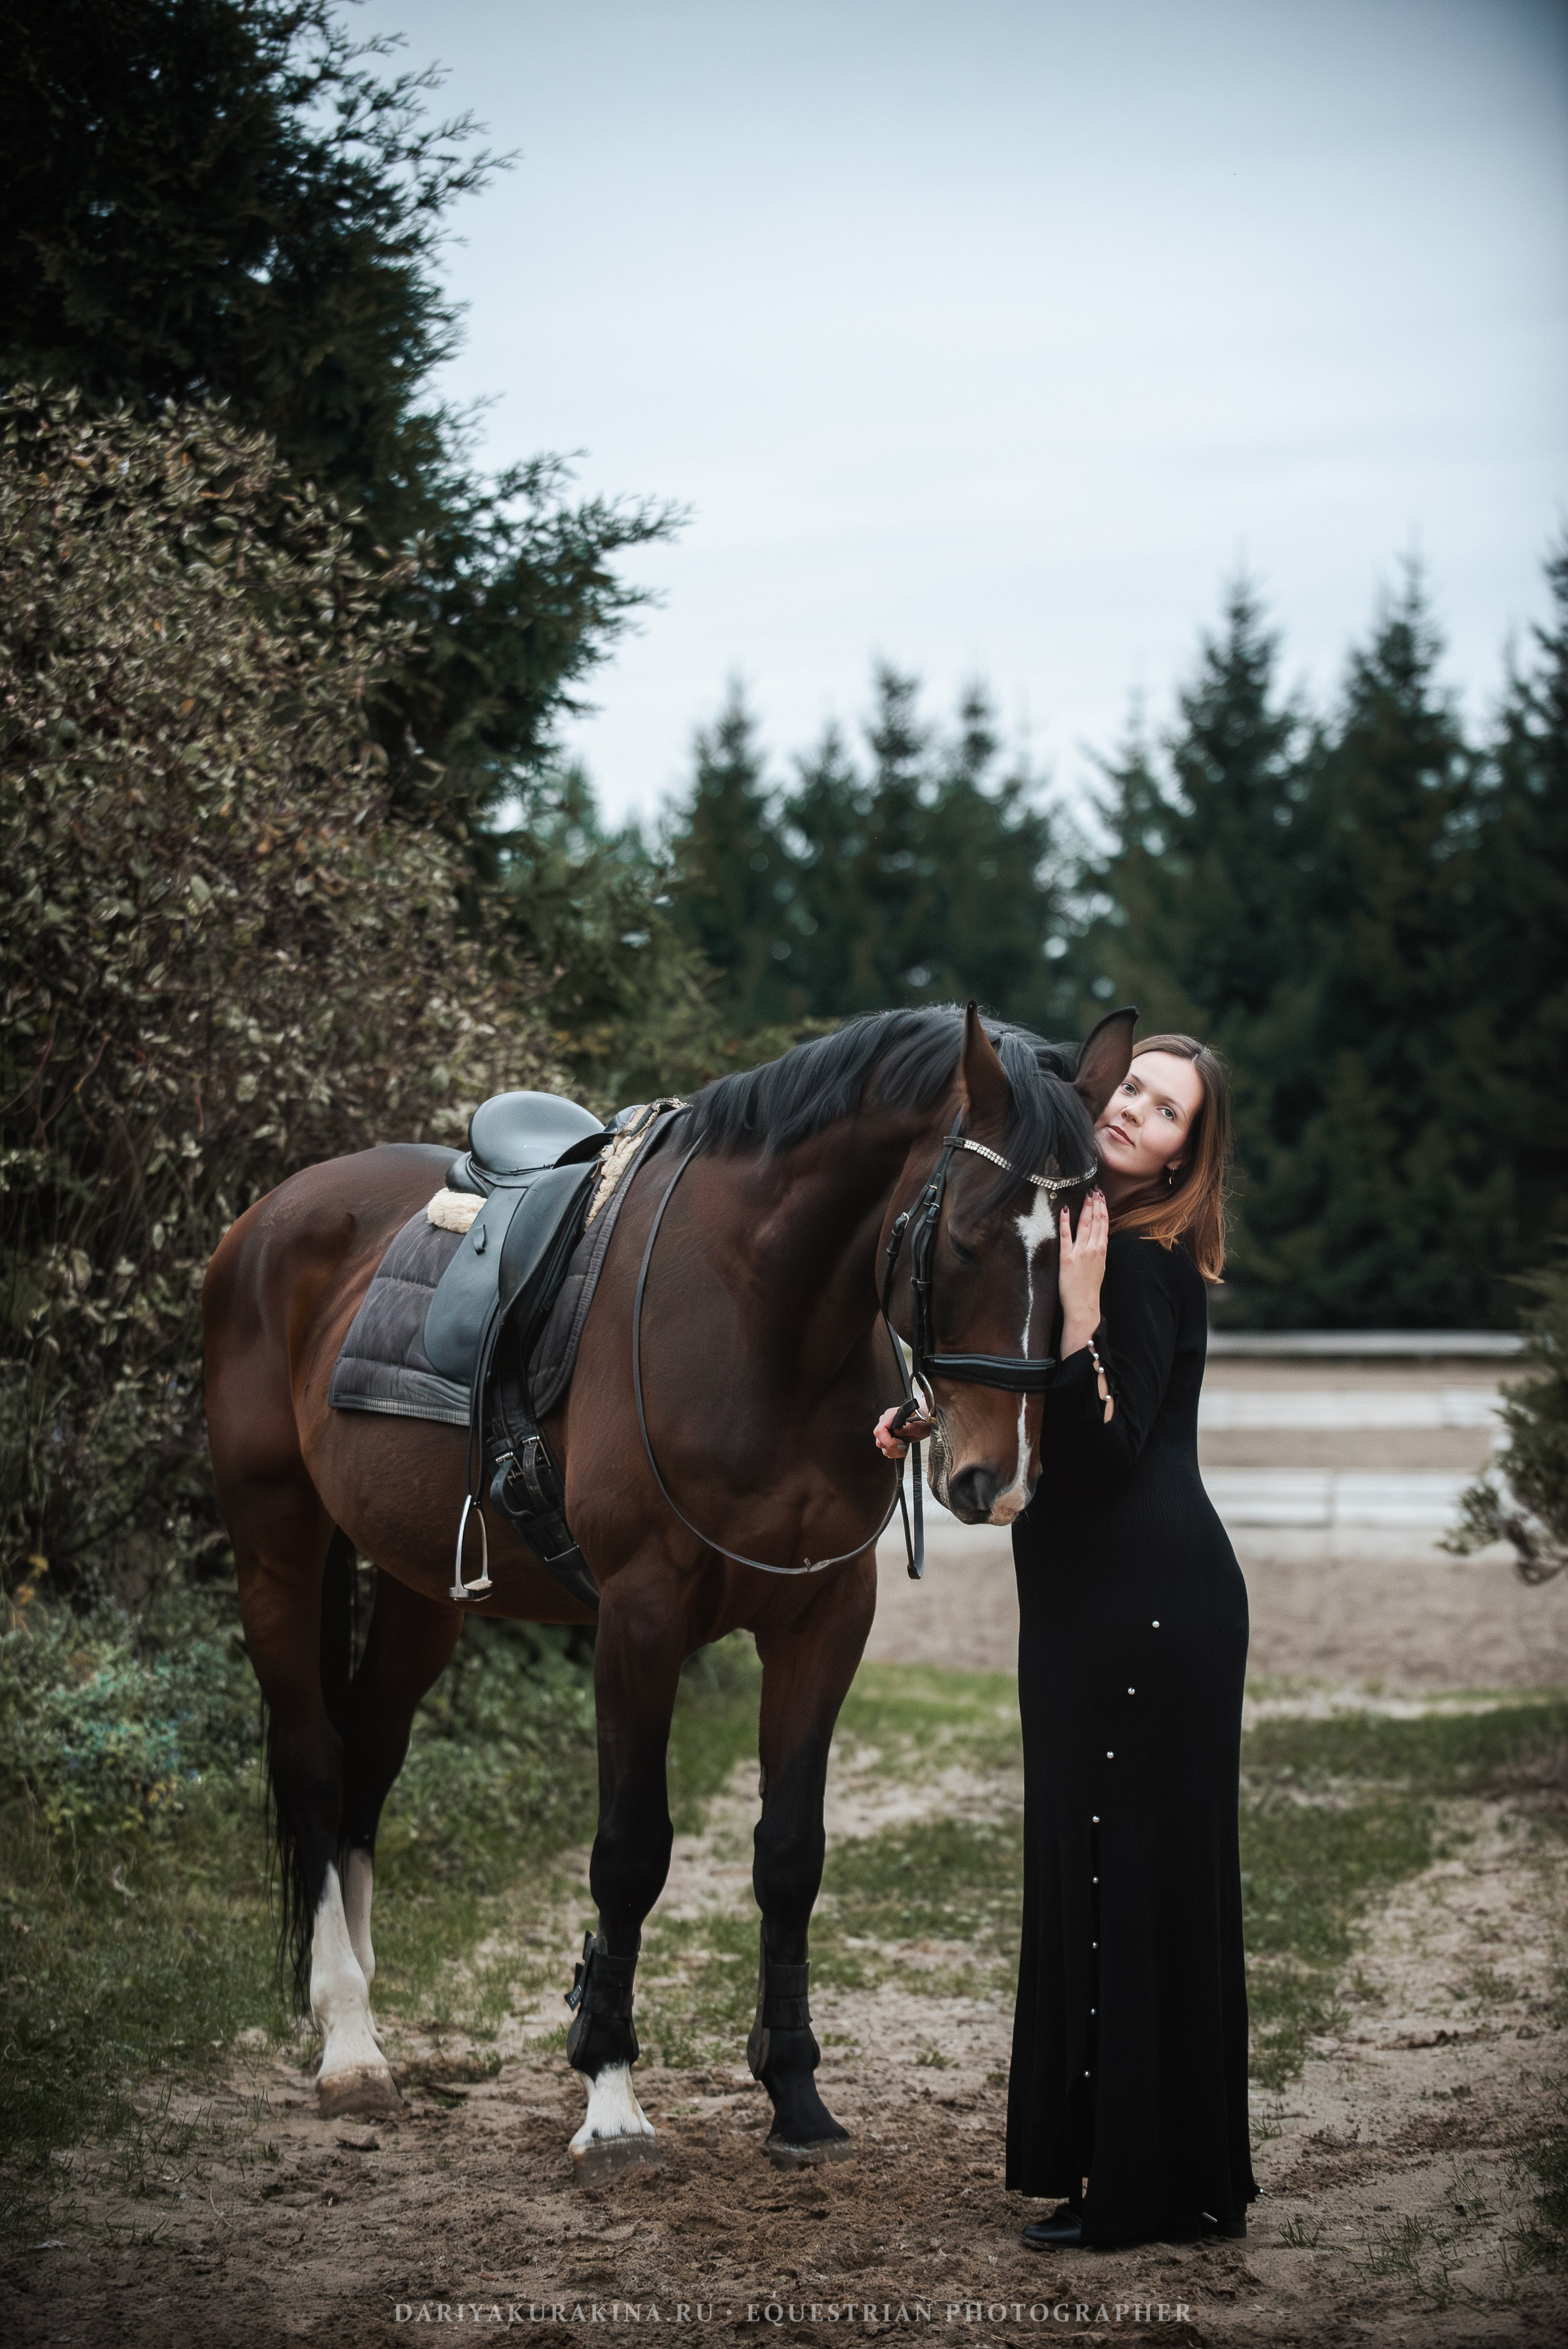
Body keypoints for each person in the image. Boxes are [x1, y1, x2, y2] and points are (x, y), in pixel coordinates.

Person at [876, 1031, 1256, 2250]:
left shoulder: (1135, 1263)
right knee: (1120, 1879)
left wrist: (1087, 1306)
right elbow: (1024, 1387)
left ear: (1185, 1153)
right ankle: (1169, 2176)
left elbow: (1096, 1450)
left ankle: (1133, 2189)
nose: (1135, 1111)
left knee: (1119, 1885)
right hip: (1113, 1601)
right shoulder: (1083, 1230)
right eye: (1132, 1088)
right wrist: (925, 1416)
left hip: (1144, 1607)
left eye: (1165, 1109)